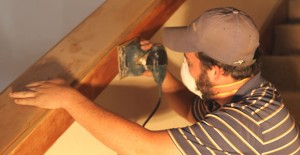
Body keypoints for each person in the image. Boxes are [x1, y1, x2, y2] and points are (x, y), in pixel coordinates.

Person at [9, 7, 300, 154]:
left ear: (217, 71)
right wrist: (159, 73)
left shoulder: (247, 122)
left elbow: (141, 148)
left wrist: (69, 99)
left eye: (189, 59)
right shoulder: (249, 91)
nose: (184, 58)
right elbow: (190, 110)